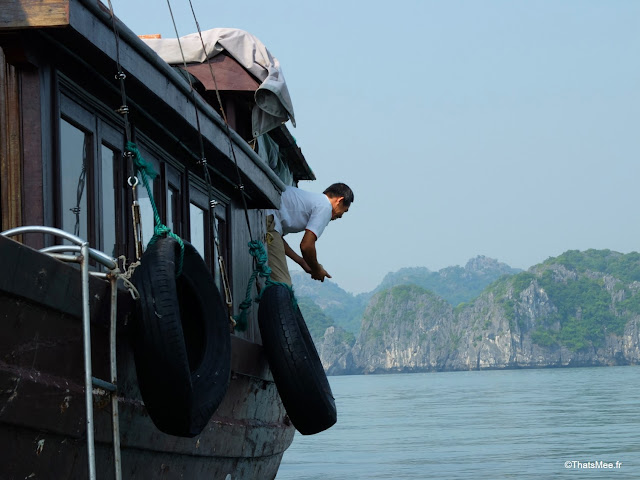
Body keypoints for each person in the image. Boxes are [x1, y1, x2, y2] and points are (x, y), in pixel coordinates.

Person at [265, 182, 354, 285]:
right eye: (345, 210)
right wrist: (317, 269)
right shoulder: (325, 206)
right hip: (267, 219)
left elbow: (278, 238)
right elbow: (306, 246)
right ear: (339, 200)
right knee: (282, 284)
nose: (341, 216)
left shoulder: (315, 201)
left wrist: (302, 261)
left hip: (267, 218)